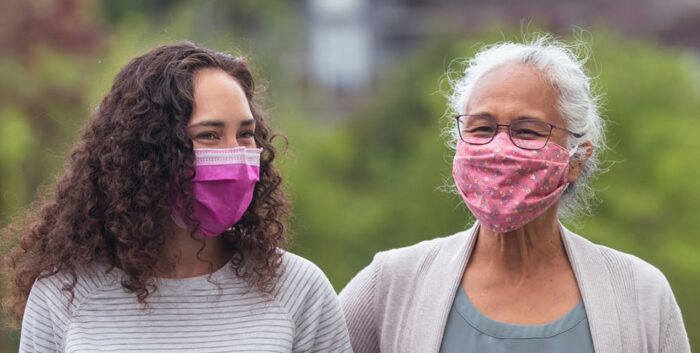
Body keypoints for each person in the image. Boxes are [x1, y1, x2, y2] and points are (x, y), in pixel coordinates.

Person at [339, 35, 690, 353]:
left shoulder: (639, 294)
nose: (499, 148)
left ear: (577, 158)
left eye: (527, 131)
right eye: (482, 128)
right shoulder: (392, 285)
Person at [5, 42, 352, 353]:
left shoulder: (299, 289)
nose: (235, 155)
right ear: (146, 154)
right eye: (209, 135)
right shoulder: (64, 293)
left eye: (246, 134)